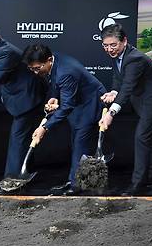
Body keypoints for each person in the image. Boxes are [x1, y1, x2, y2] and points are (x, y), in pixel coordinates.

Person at [0, 19, 44, 194]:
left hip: (27, 97)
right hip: (16, 96)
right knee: (23, 138)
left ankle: (12, 182)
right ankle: (25, 172)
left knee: (18, 138)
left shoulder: (6, 52)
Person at [98, 24, 152, 195]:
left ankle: (137, 184)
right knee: (150, 140)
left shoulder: (134, 58)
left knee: (142, 137)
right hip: (141, 100)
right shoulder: (118, 55)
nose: (109, 49)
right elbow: (118, 79)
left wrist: (111, 113)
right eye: (105, 45)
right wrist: (113, 91)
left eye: (113, 45)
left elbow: (128, 87)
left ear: (124, 41)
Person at [23, 44, 106, 195]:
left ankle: (76, 186)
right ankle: (75, 180)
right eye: (31, 69)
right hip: (78, 102)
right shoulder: (54, 60)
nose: (35, 72)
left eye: (37, 68)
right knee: (77, 141)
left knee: (81, 143)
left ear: (48, 60)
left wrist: (44, 127)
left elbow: (67, 106)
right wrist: (54, 97)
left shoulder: (66, 71)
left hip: (90, 103)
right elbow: (55, 82)